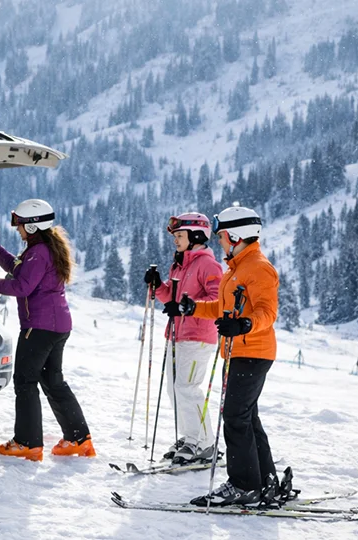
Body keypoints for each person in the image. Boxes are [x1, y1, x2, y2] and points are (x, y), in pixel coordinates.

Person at [0, 199, 95, 461]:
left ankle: (27, 443)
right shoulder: (42, 249)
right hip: (57, 326)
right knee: (53, 381)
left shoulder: (38, 253)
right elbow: (18, 270)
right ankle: (78, 438)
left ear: (34, 225)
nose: (17, 228)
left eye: (20, 224)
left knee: (25, 382)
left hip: (39, 328)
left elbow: (21, 287)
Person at [178, 206, 285, 506]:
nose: (220, 242)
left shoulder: (258, 267)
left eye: (222, 236)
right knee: (247, 418)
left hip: (253, 351)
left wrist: (244, 325)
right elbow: (221, 309)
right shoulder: (237, 268)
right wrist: (193, 307)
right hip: (238, 352)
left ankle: (244, 484)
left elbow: (267, 311)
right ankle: (265, 480)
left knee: (235, 417)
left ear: (237, 236)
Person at [144, 213, 223, 465]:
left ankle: (205, 443)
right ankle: (191, 436)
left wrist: (188, 307)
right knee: (174, 389)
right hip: (177, 334)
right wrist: (157, 285)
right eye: (175, 236)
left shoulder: (208, 266)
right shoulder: (180, 264)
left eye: (180, 235)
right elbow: (171, 299)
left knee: (187, 388)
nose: (175, 240)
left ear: (197, 236)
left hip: (198, 336)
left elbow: (216, 301)